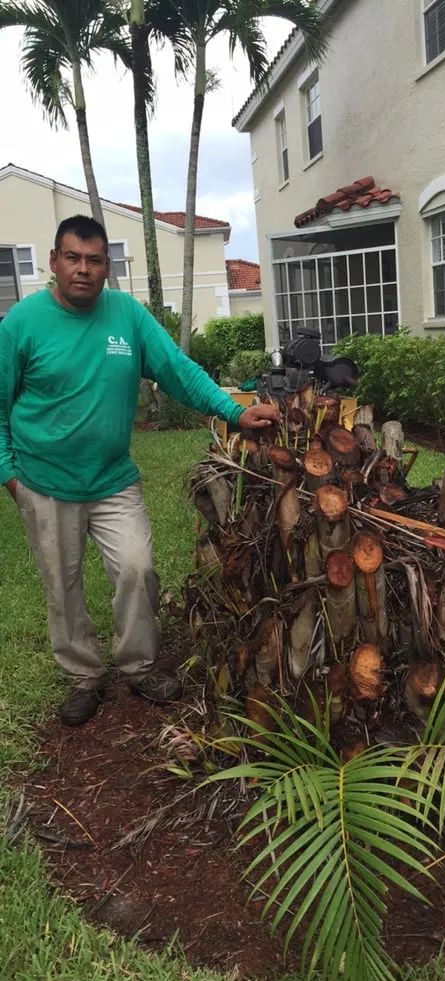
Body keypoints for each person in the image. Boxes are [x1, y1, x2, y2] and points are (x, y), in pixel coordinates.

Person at [0, 215, 278, 727]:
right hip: (44, 483)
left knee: (137, 567)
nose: (83, 269)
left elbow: (177, 370)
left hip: (112, 480)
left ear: (107, 267)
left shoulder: (126, 315)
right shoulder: (21, 324)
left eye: (94, 260)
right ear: (54, 262)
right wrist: (11, 477)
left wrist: (233, 411)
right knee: (62, 586)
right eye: (72, 258)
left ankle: (137, 665)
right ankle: (83, 676)